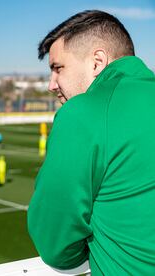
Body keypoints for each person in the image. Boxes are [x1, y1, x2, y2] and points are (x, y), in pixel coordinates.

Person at [27, 10, 155, 275]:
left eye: (57, 68)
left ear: (97, 62)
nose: (52, 84)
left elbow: (55, 242)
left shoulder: (82, 113)